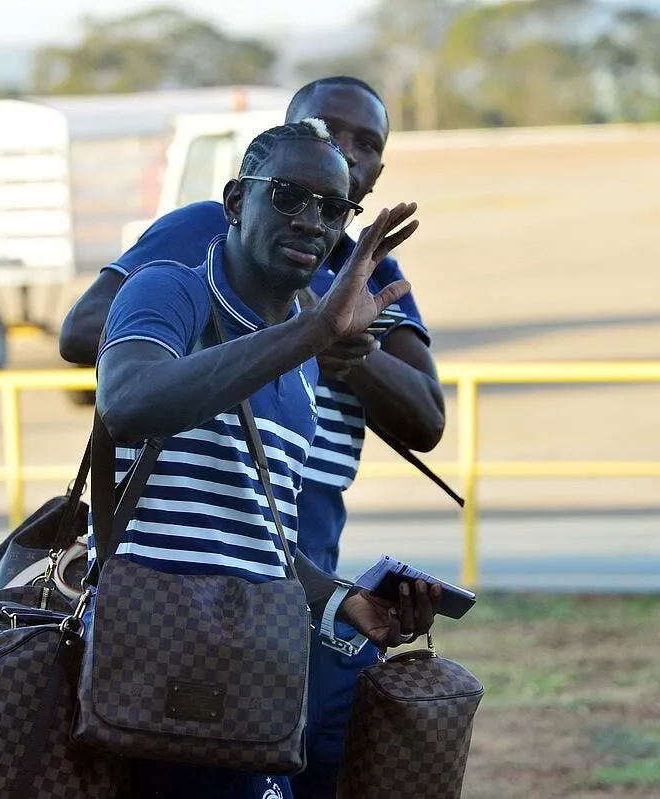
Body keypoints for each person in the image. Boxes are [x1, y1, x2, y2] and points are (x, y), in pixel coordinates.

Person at [64, 77, 446, 798]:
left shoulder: (305, 376)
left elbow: (256, 535)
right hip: (161, 645)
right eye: (289, 197)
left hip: (253, 647)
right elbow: (126, 401)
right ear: (236, 202)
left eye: (332, 209)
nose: (311, 220)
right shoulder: (171, 284)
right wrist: (312, 331)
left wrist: (340, 599)